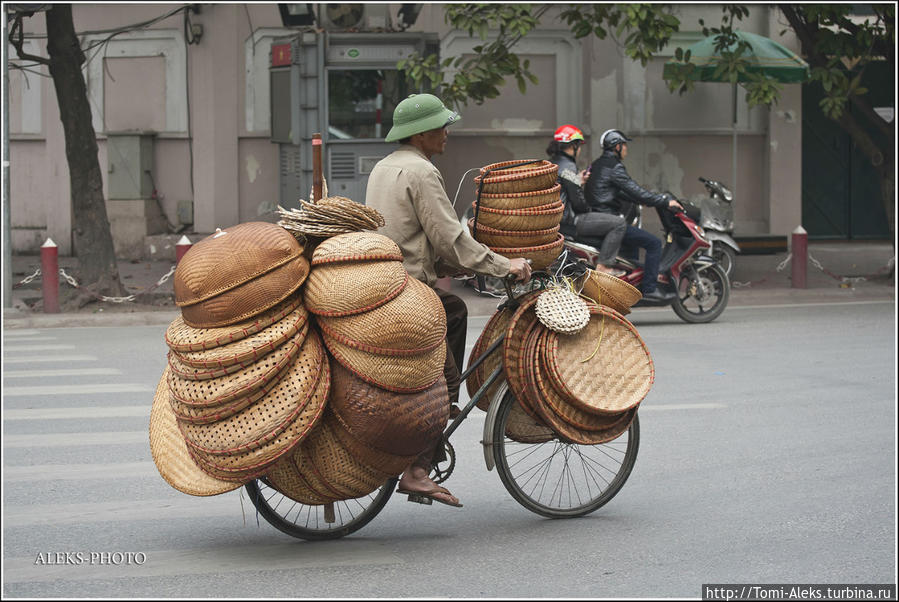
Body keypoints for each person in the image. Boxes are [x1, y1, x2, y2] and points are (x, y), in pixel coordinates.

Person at [365, 93, 532, 508]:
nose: (446, 133)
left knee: (454, 310)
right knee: (446, 380)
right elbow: (450, 237)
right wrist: (502, 265)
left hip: (385, 282)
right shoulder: (422, 172)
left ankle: (443, 411)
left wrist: (453, 265)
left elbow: (412, 235)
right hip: (407, 295)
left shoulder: (385, 167)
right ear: (420, 134)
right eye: (441, 126)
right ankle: (418, 470)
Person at [584, 129, 684, 303]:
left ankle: (630, 288)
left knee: (632, 250)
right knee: (653, 243)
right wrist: (663, 201)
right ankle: (650, 289)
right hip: (609, 221)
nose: (626, 150)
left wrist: (646, 200)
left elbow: (614, 192)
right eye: (624, 146)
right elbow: (634, 189)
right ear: (617, 147)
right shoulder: (615, 167)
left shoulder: (600, 164)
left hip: (598, 219)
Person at [546, 124, 626, 276]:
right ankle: (604, 266)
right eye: (579, 145)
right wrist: (589, 209)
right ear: (573, 146)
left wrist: (578, 180)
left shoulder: (553, 163)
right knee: (619, 223)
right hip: (569, 220)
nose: (580, 149)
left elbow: (564, 184)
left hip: (555, 219)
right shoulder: (569, 166)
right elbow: (578, 202)